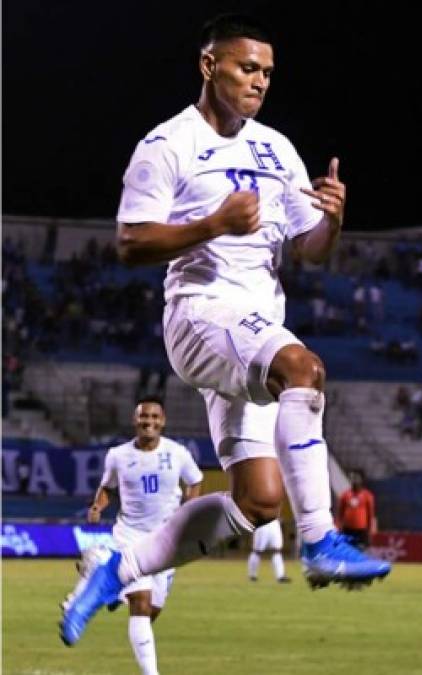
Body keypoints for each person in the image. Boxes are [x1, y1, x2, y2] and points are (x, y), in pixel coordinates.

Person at [60, 13, 390, 648]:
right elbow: (130, 243)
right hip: (200, 312)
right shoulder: (167, 144)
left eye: (267, 71)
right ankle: (320, 540)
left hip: (255, 324)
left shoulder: (277, 148)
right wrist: (211, 224)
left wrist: (334, 219)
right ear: (209, 66)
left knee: (258, 503)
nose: (259, 81)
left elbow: (311, 250)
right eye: (246, 68)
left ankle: (114, 572)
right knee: (305, 371)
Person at [67, 396, 203, 675]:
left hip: (166, 541)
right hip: (130, 536)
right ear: (135, 420)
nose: (148, 422)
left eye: (154, 417)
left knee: (150, 612)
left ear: (162, 421)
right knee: (140, 603)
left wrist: (189, 510)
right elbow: (107, 488)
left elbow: (195, 480)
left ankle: (108, 579)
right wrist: (97, 506)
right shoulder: (118, 455)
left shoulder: (178, 453)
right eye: (144, 417)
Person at [337, 470, 377, 550]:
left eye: (356, 478)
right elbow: (340, 513)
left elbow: (370, 514)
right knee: (347, 551)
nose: (354, 480)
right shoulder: (345, 495)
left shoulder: (367, 495)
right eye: (352, 478)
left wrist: (370, 531)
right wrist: (339, 527)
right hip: (347, 529)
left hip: (361, 530)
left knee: (360, 550)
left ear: (361, 479)